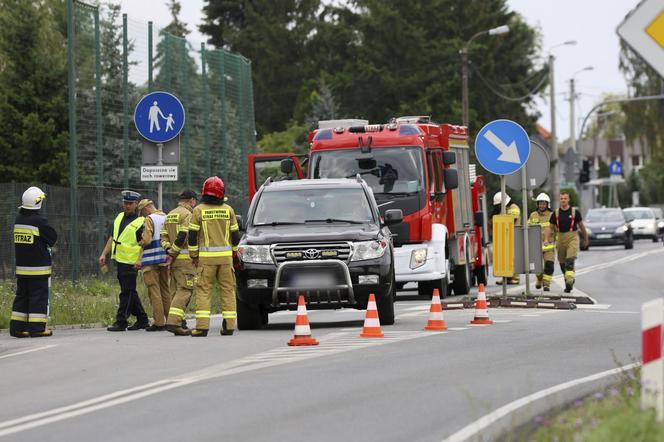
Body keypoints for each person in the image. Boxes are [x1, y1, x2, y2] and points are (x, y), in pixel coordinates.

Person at [187, 176, 241, 337]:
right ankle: (229, 326)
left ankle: (202, 327)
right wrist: (234, 253)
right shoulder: (228, 210)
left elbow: (192, 235)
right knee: (228, 291)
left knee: (204, 291)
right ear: (221, 193)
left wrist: (193, 255)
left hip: (206, 259)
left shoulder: (198, 210)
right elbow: (235, 235)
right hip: (226, 260)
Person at [10, 186, 57, 338]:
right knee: (38, 297)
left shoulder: (18, 220)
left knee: (22, 297)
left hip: (22, 269)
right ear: (37, 203)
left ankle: (17, 328)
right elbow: (52, 238)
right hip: (38, 269)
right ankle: (36, 329)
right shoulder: (39, 221)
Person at [99, 190, 150, 331]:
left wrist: (140, 260)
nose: (127, 206)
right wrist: (104, 254)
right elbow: (112, 238)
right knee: (130, 291)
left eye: (130, 203)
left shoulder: (141, 222)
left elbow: (144, 244)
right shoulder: (119, 217)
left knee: (126, 293)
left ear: (136, 205)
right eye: (125, 203)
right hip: (119, 260)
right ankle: (142, 319)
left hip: (131, 263)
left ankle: (121, 321)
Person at [161, 190, 198, 336]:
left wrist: (168, 250)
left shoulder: (169, 214)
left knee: (175, 291)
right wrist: (173, 252)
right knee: (185, 290)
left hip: (174, 261)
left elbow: (162, 236)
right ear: (192, 201)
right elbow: (183, 236)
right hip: (185, 260)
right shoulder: (188, 215)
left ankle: (180, 322)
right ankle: (174, 322)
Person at [136, 199, 170, 331]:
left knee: (154, 291)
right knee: (165, 290)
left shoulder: (149, 219)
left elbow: (147, 239)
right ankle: (171, 320)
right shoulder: (166, 217)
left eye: (142, 212)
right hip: (165, 258)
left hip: (151, 261)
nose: (143, 215)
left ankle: (159, 322)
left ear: (146, 209)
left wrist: (140, 242)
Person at [546, 191, 589, 293]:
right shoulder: (555, 213)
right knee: (562, 263)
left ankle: (570, 280)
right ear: (559, 200)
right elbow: (550, 228)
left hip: (572, 237)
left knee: (570, 260)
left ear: (568, 199)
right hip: (560, 237)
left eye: (565, 198)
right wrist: (546, 239)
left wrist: (586, 239)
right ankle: (568, 281)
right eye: (561, 198)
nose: (563, 200)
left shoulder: (575, 212)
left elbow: (582, 227)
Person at [492, 192, 521, 284]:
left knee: (513, 257)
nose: (498, 207)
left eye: (499, 204)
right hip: (505, 236)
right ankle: (506, 277)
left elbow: (511, 220)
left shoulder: (513, 208)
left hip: (513, 235)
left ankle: (515, 278)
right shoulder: (504, 209)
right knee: (505, 257)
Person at [528, 193, 555, 291]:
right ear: (537, 204)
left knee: (549, 265)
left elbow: (556, 229)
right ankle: (539, 279)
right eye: (540, 203)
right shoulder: (533, 215)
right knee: (537, 267)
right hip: (536, 246)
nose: (542, 205)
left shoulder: (552, 215)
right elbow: (528, 229)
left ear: (548, 204)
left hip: (549, 246)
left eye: (544, 203)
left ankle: (547, 283)